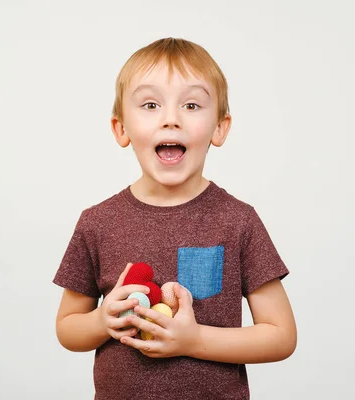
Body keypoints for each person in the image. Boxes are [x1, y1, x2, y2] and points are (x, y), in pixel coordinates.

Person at [53, 37, 297, 399]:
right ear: (121, 129)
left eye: (192, 105)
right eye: (150, 104)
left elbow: (281, 336)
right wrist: (102, 321)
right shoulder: (97, 223)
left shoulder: (238, 221)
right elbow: (67, 329)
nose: (171, 119)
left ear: (219, 127)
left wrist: (195, 340)